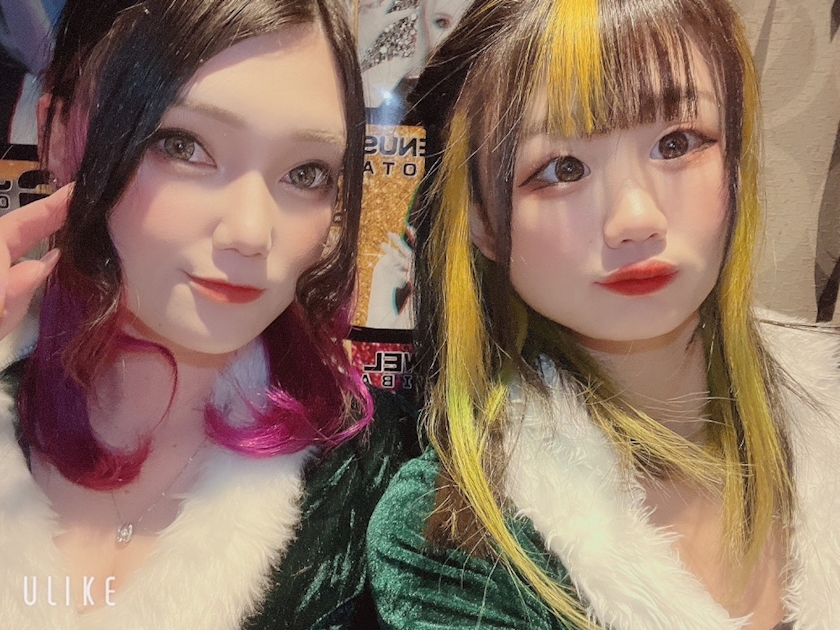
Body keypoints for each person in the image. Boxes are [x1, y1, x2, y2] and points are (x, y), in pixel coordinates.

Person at [367, 0, 840, 627]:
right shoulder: (453, 536)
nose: (635, 219)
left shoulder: (824, 413)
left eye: (677, 143)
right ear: (481, 220)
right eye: (563, 169)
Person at [0, 0, 415, 627]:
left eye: (306, 173)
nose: (250, 233)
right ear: (60, 139)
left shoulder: (384, 487)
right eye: (183, 145)